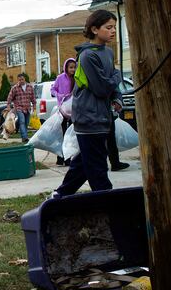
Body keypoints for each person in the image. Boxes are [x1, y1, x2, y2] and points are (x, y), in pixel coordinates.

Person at [52, 10, 122, 197]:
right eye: (108, 27)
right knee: (98, 169)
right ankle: (106, 203)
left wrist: (117, 98)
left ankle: (59, 196)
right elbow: (102, 88)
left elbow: (111, 84)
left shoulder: (108, 52)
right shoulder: (87, 56)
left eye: (114, 27)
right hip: (89, 118)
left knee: (84, 164)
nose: (113, 31)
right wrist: (118, 75)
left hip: (102, 117)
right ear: (94, 29)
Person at [51, 58, 75, 165]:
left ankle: (69, 157)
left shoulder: (77, 78)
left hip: (74, 110)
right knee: (63, 134)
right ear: (66, 68)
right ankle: (61, 158)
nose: (73, 69)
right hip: (62, 110)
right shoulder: (60, 78)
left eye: (74, 67)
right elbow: (53, 90)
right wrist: (59, 95)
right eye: (71, 67)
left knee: (71, 135)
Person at [6, 73, 35, 143]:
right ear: (18, 80)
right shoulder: (15, 88)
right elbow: (9, 97)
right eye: (19, 80)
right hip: (19, 108)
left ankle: (18, 127)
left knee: (26, 123)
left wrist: (34, 106)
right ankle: (24, 137)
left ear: (24, 79)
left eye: (22, 79)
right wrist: (8, 106)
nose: (21, 81)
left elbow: (33, 97)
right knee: (22, 121)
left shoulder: (30, 87)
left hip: (27, 108)